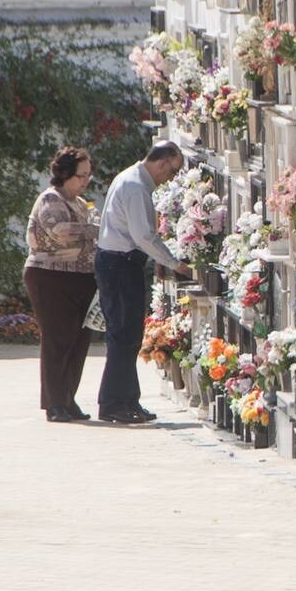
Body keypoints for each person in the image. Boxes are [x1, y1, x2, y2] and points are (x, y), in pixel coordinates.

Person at [94, 142, 192, 423]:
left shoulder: (129, 177)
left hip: (118, 262)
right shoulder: (136, 186)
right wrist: (175, 264)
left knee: (128, 336)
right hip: (120, 264)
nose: (169, 179)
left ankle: (126, 401)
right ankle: (114, 404)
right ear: (162, 163)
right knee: (123, 336)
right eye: (171, 172)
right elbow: (144, 236)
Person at [23, 146, 100, 422]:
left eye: (88, 175)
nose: (85, 181)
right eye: (81, 175)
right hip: (50, 277)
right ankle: (54, 404)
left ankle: (68, 399)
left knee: (79, 342)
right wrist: (94, 231)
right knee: (58, 340)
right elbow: (61, 233)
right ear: (65, 173)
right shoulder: (50, 200)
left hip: (81, 278)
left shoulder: (80, 204)